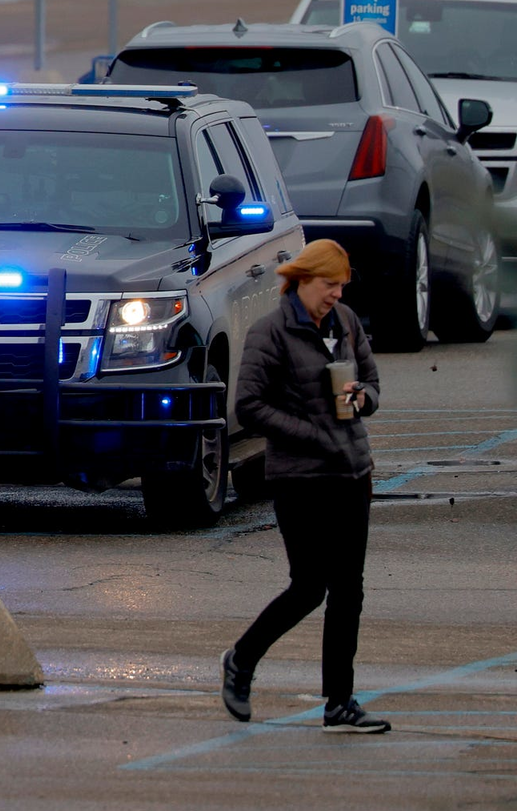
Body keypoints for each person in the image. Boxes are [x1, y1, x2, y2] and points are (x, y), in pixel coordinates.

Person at [222, 238, 390, 735]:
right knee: (309, 586)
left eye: (341, 286)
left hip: (351, 473)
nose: (336, 294)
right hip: (300, 479)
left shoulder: (346, 323)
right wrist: (310, 432)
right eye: (328, 285)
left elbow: (375, 383)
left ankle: (340, 703)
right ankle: (241, 659)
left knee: (349, 591)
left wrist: (363, 398)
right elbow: (249, 406)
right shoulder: (269, 332)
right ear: (302, 280)